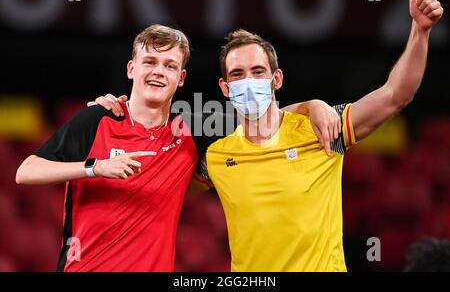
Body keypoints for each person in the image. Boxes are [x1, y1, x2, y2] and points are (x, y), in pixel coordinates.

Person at [97, 0, 443, 272]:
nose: (249, 81)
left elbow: (397, 94)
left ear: (276, 78)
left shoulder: (324, 130)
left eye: (258, 72)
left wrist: (420, 32)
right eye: (237, 74)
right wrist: (110, 115)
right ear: (225, 88)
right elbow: (156, 194)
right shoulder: (218, 156)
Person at [15, 25, 339, 271]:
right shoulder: (98, 118)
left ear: (181, 78)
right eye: (150, 62)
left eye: (169, 65)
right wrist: (93, 167)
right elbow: (25, 171)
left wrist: (312, 105)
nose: (158, 71)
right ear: (132, 69)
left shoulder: (195, 130)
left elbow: (262, 116)